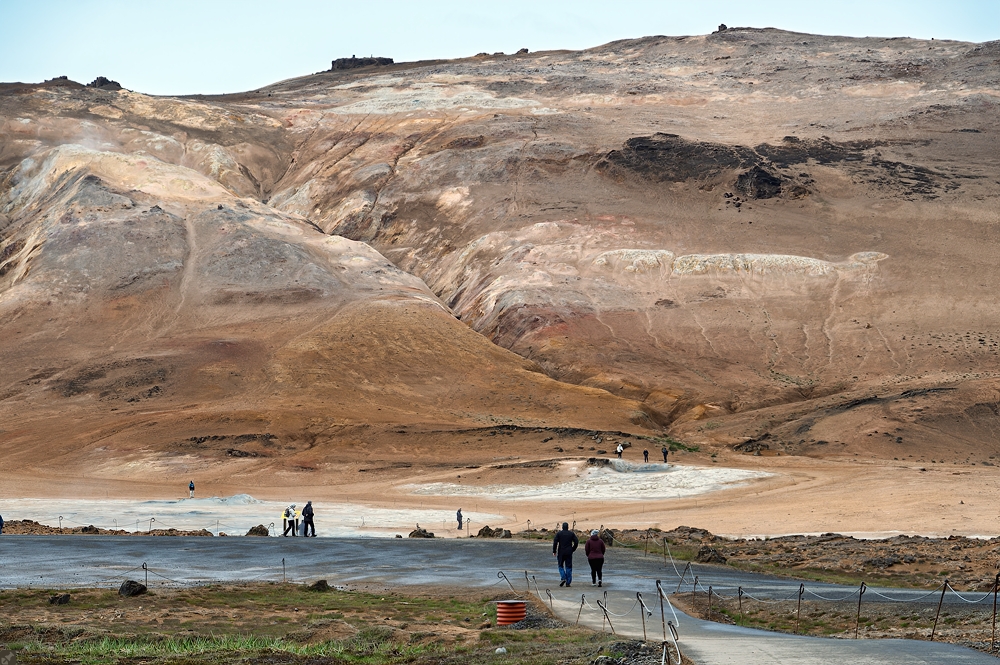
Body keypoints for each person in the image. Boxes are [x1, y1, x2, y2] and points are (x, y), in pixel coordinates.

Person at [552, 522, 579, 587]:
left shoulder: (559, 534)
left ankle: (563, 577)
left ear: (562, 527)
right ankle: (568, 582)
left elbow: (555, 542)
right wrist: (573, 549)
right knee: (568, 566)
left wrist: (554, 551)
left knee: (560, 565)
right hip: (569, 551)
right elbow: (576, 541)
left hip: (561, 551)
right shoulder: (571, 534)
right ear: (568, 527)